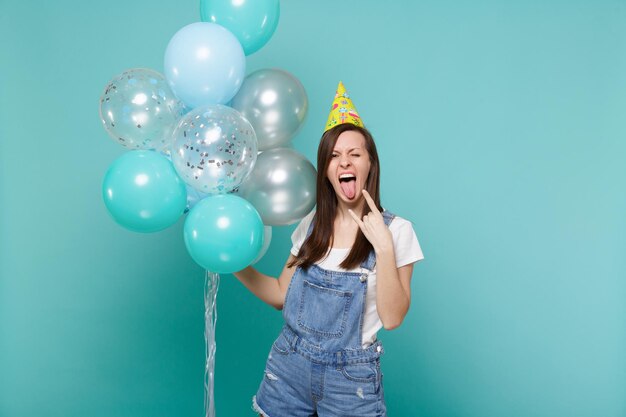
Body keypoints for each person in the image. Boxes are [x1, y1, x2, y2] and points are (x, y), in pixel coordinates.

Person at [233, 82, 424, 417]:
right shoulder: (311, 224)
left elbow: (393, 318)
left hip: (350, 380)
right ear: (327, 171)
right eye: (334, 156)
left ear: (369, 164)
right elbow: (281, 293)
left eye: (354, 154)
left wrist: (383, 248)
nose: (344, 162)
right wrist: (234, 264)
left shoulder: (398, 230)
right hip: (289, 367)